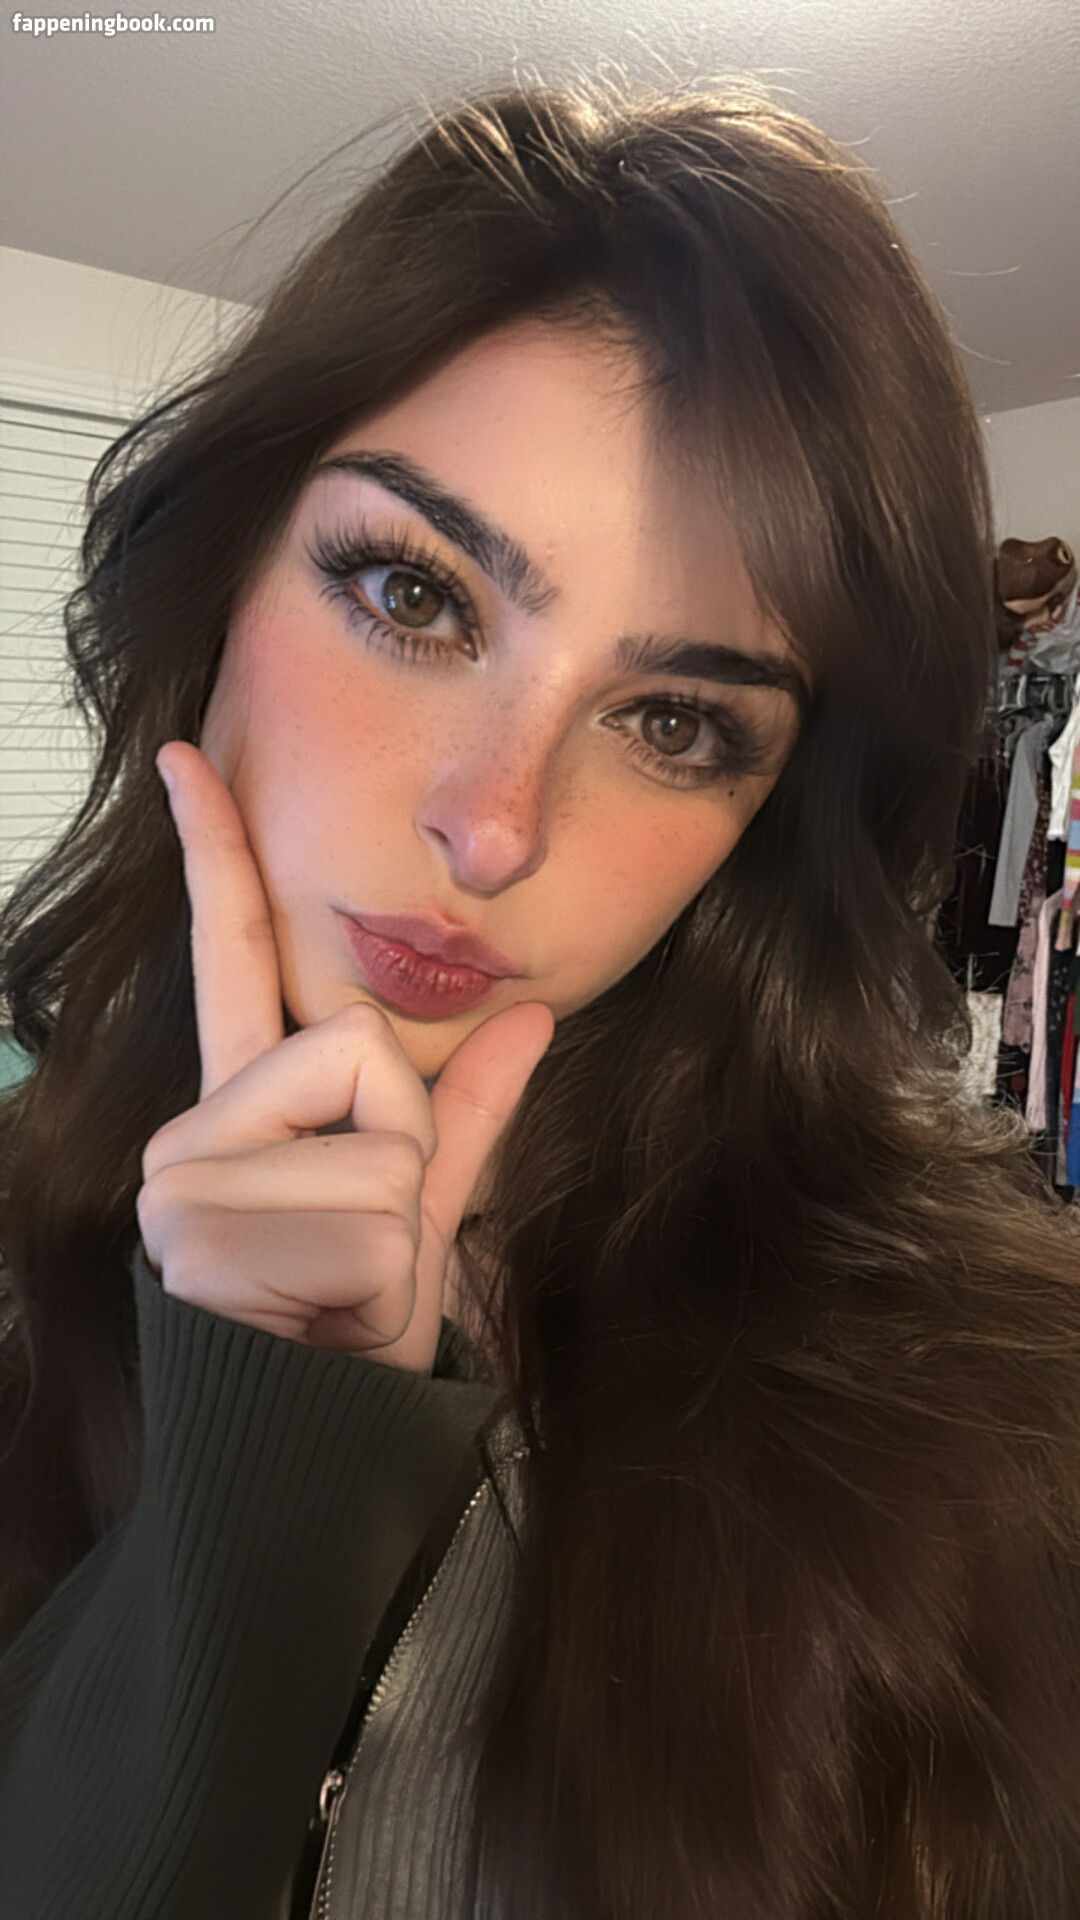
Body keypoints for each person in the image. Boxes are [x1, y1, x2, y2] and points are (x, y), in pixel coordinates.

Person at [2, 75, 1080, 1920]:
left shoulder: (1003, 1416)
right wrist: (257, 1457)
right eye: (413, 593)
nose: (495, 827)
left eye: (674, 720)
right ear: (222, 574)